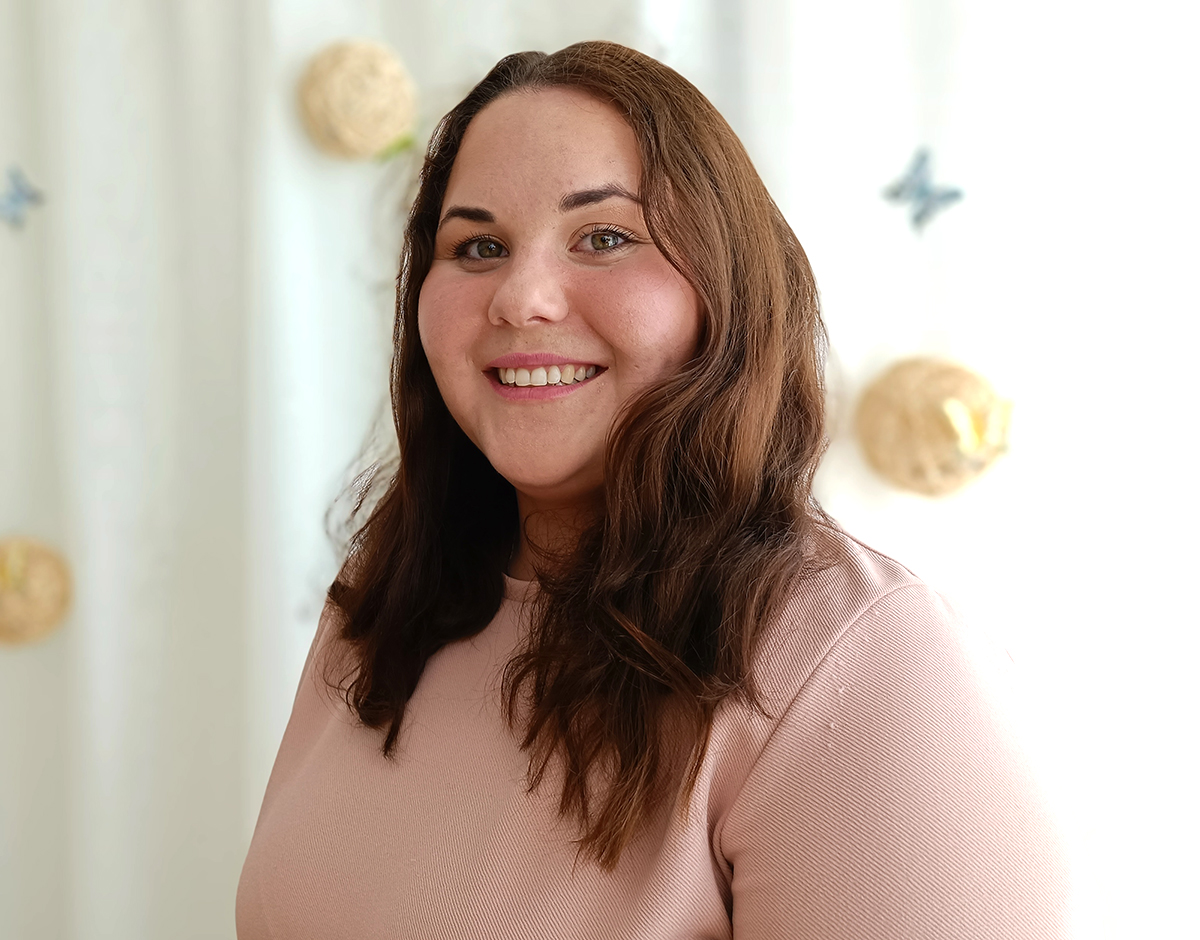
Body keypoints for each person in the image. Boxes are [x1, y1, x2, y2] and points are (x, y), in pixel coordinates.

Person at [237, 41, 1072, 939]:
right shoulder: (385, 599)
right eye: (477, 245)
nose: (521, 298)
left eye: (605, 237)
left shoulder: (869, 669)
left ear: (726, 288)